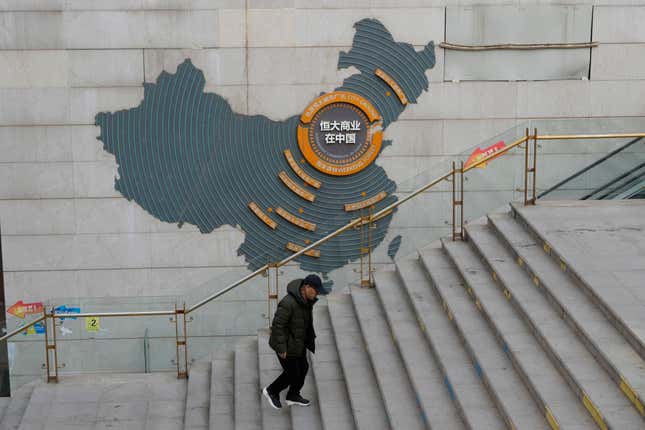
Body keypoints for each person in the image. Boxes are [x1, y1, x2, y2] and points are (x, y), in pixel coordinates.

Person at [262, 274, 324, 409]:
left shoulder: (306, 301)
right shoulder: (288, 303)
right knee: (292, 373)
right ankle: (271, 391)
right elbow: (277, 326)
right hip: (285, 345)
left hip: (298, 343)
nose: (317, 294)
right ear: (307, 287)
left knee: (303, 368)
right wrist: (281, 348)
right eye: (315, 291)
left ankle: (293, 395)